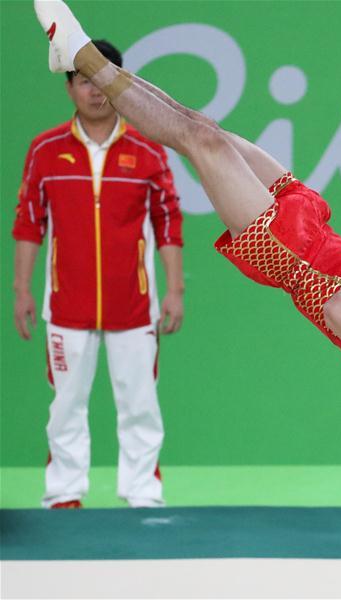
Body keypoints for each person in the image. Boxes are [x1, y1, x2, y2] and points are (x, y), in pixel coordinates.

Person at [31, 0, 341, 451]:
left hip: (288, 255)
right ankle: (85, 59)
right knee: (204, 127)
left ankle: (82, 55)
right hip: (312, 222)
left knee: (201, 142)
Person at [13, 36, 184, 508]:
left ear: (121, 83)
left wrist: (175, 290)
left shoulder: (149, 153)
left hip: (134, 306)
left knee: (140, 405)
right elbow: (28, 221)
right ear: (69, 86)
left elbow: (168, 221)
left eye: (102, 79)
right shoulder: (45, 151)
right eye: (83, 79)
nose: (94, 90)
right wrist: (21, 290)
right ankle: (64, 494)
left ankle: (142, 493)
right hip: (66, 306)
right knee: (65, 405)